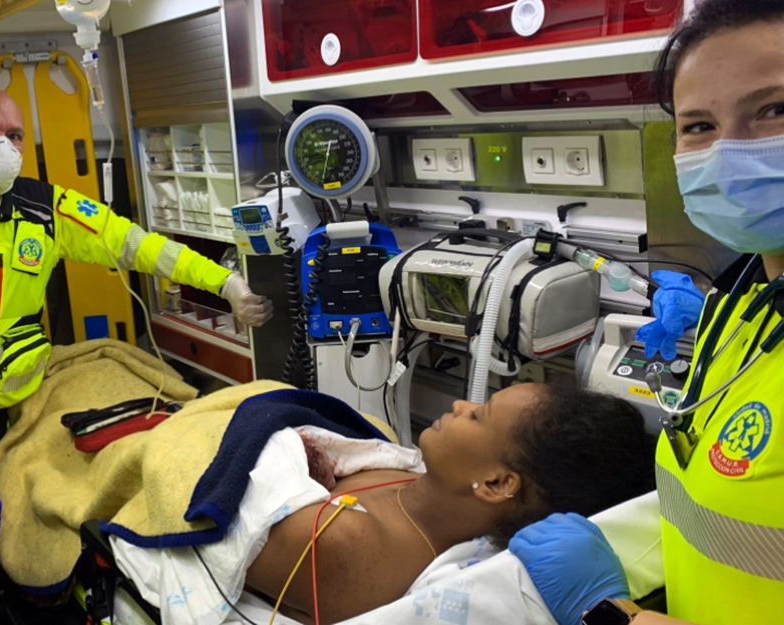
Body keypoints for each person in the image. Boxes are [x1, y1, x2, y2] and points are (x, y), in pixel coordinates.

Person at [508, 2, 784, 624]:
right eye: (698, 126)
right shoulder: (745, 308)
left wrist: (610, 614)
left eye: (775, 109)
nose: (729, 153)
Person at [0, 86, 273, 470]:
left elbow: (134, 244)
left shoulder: (44, 209)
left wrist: (225, 283)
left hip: (16, 411)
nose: (2, 146)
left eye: (15, 136)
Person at [244, 383, 657, 625]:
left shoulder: (347, 546)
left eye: (479, 416)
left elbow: (210, 505)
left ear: (496, 484)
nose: (461, 405)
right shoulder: (413, 474)